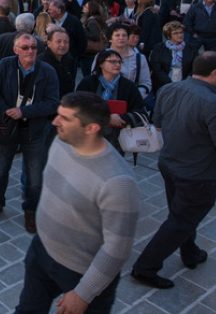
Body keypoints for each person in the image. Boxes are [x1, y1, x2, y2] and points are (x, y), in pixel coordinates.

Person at [13, 92, 140, 314]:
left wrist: (84, 292)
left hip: (81, 272)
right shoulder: (62, 141)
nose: (55, 121)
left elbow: (117, 249)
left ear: (91, 128)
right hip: (41, 254)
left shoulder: (118, 182)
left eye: (65, 118)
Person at [131, 52, 216, 289]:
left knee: (181, 215)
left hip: (169, 165)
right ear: (215, 73)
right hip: (198, 175)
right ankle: (145, 268)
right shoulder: (215, 104)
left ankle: (190, 252)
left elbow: (159, 125)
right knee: (180, 220)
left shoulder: (168, 90)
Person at [0, 32, 60, 234]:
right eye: (25, 47)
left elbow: (53, 103)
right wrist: (6, 110)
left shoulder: (47, 71)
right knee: (0, 170)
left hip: (34, 130)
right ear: (16, 49)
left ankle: (31, 211)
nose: (30, 51)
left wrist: (24, 112)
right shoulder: (6, 65)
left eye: (34, 47)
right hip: (7, 128)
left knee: (34, 176)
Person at [76, 50, 147, 154]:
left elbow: (141, 113)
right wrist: (106, 118)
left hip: (118, 138)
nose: (117, 65)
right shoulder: (88, 83)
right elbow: (78, 107)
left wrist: (121, 118)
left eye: (119, 62)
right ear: (101, 64)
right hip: (90, 134)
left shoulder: (128, 86)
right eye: (112, 62)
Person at [148, 21, 200, 97]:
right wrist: (169, 83)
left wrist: (185, 82)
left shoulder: (192, 48)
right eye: (175, 33)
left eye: (181, 32)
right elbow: (156, 67)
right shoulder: (159, 48)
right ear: (169, 36)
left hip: (185, 85)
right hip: (163, 84)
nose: (179, 35)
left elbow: (195, 67)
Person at [106, 24, 151, 98]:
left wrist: (136, 96)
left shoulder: (139, 58)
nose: (121, 38)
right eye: (117, 35)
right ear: (110, 39)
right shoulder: (101, 57)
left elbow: (145, 82)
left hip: (132, 99)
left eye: (124, 35)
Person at [39, 27, 77, 98]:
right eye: (58, 41)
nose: (62, 45)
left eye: (66, 42)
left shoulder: (69, 60)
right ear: (49, 43)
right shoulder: (41, 62)